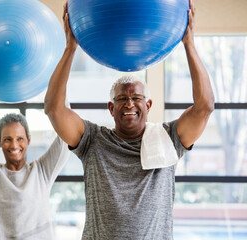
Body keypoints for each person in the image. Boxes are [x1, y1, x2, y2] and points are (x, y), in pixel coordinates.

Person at [44, 0, 215, 239]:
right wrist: (70, 48)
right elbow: (54, 109)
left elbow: (204, 107)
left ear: (148, 105)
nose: (130, 104)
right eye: (122, 99)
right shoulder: (93, 141)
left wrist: (189, 45)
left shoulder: (169, 139)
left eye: (136, 97)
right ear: (111, 108)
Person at [0, 54, 70, 239]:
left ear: (29, 140)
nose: (14, 145)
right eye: (7, 139)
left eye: (20, 139)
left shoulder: (42, 171)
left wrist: (56, 79)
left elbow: (65, 136)